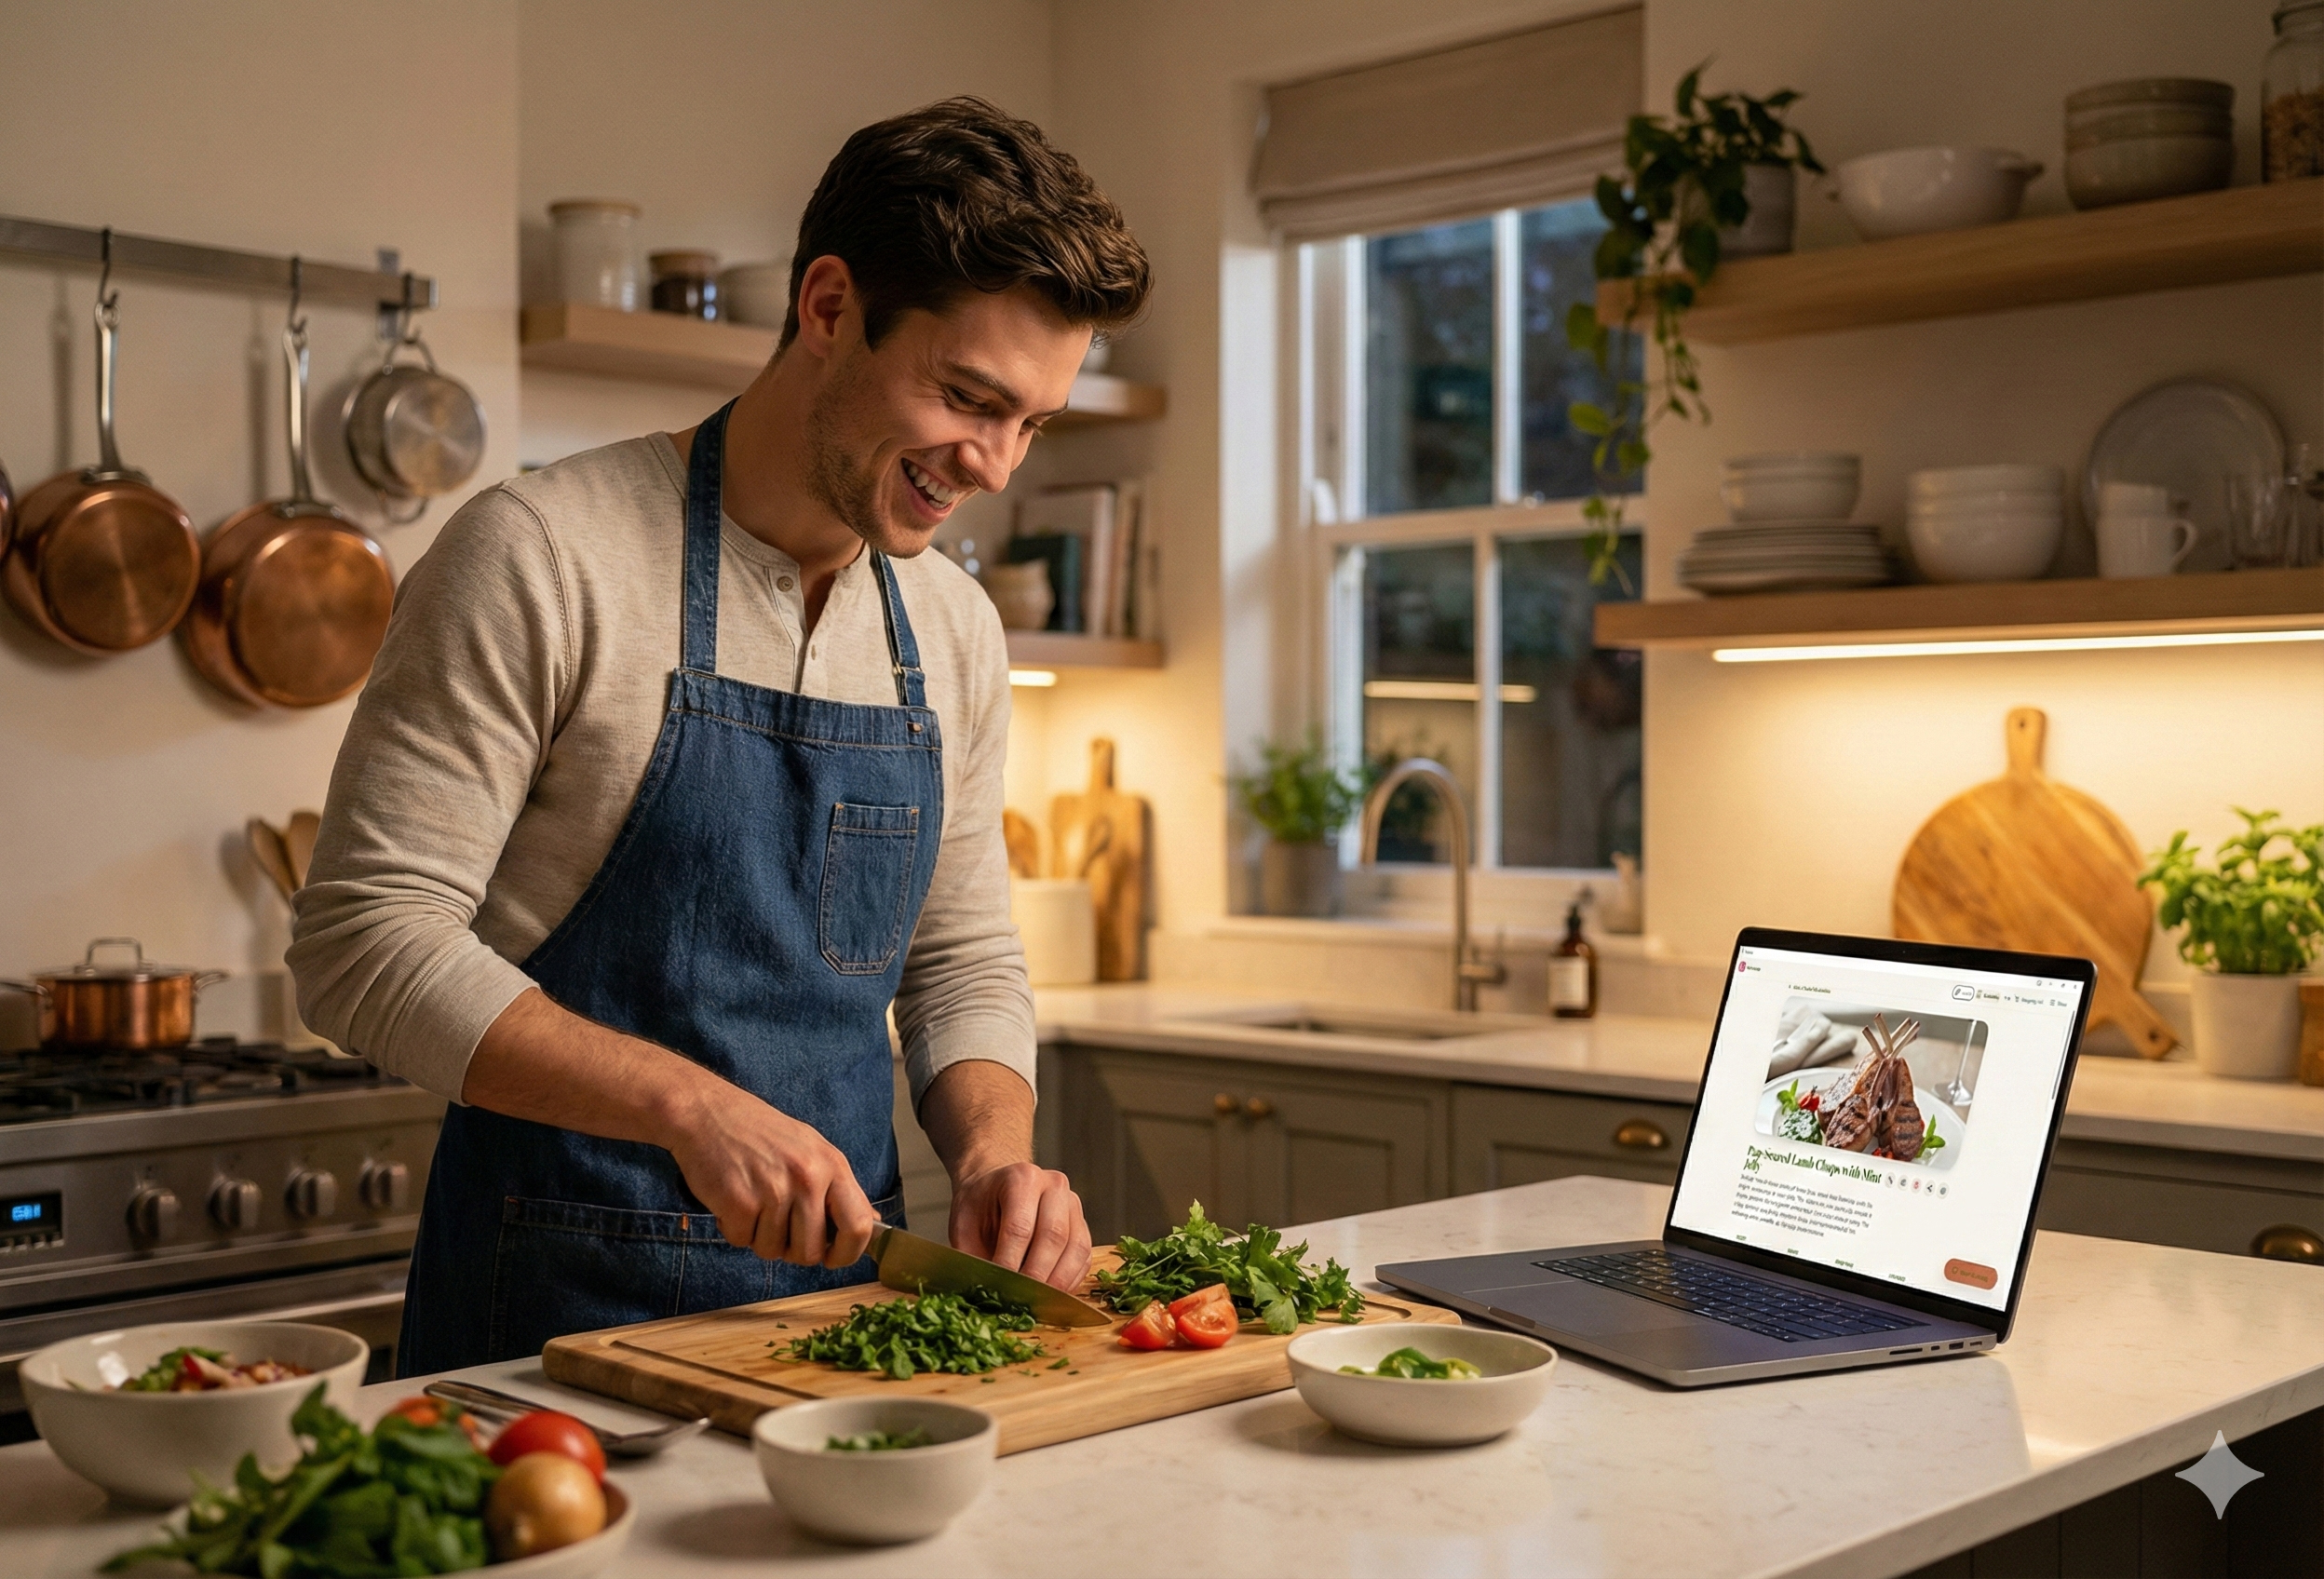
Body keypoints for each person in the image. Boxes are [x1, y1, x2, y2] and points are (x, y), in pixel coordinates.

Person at [290, 97, 1152, 1375]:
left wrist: (996, 1155)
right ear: (825, 307)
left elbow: (961, 956)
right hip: (555, 1329)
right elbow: (362, 943)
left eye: (1032, 421)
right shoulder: (543, 556)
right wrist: (684, 1107)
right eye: (969, 397)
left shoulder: (956, 630)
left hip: (853, 1330)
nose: (996, 466)